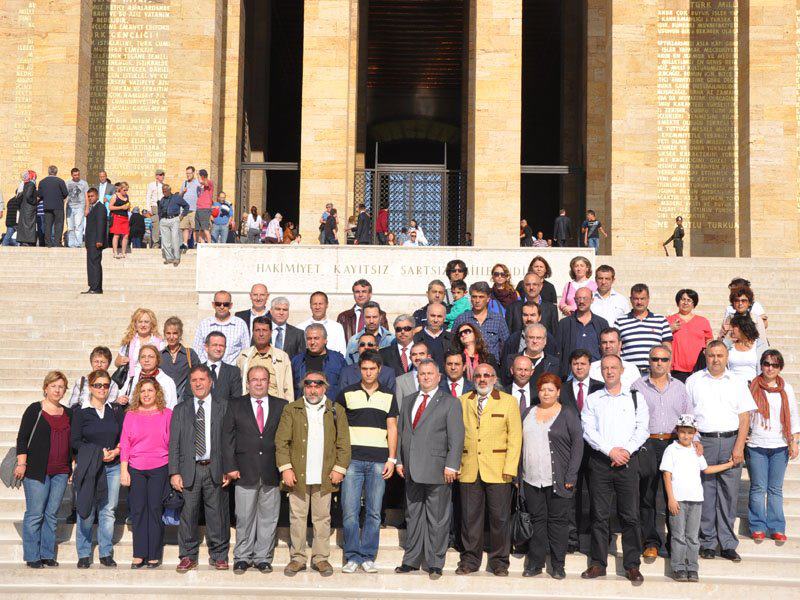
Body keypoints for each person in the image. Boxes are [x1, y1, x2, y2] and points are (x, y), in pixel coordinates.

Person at [581, 355, 649, 583]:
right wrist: (610, 451)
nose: (609, 372)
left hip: (628, 463)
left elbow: (642, 429)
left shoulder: (636, 398)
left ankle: (632, 565)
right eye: (605, 368)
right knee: (599, 515)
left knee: (630, 516)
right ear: (601, 372)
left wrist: (625, 451)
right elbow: (589, 430)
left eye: (614, 368)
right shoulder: (593, 399)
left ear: (621, 370)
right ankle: (598, 563)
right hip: (601, 463)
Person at [686, 341, 757, 561]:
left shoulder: (737, 382)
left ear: (727, 357)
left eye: (720, 355)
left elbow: (745, 416)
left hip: (730, 441)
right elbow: (687, 416)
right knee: (706, 494)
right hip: (703, 442)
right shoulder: (693, 381)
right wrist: (694, 441)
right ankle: (707, 541)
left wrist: (739, 446)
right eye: (711, 355)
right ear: (705, 356)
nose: (715, 359)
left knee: (729, 493)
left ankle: (727, 543)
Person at [394, 359, 465, 580]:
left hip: (438, 469)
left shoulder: (450, 402)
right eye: (422, 374)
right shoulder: (408, 400)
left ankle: (435, 562)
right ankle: (411, 560)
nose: (425, 377)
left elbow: (457, 437)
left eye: (429, 373)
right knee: (413, 516)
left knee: (437, 518)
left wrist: (452, 465)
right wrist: (398, 460)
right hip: (411, 469)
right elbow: (403, 432)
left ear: (438, 376)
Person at [276, 372, 351, 577]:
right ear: (303, 388)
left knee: (322, 518)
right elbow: (282, 442)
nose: (313, 389)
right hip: (298, 474)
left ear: (325, 388)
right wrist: (286, 468)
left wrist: (339, 469)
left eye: (318, 385)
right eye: (308, 385)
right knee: (297, 516)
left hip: (325, 474)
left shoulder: (336, 410)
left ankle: (320, 558)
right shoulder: (292, 409)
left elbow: (343, 443)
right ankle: (298, 558)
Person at [456, 364, 521, 577]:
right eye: (478, 375)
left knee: (499, 519)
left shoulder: (509, 401)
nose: (482, 379)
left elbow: (515, 438)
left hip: (499, 469)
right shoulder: (463, 401)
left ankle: (500, 562)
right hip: (469, 467)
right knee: (469, 518)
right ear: (472, 378)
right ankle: (470, 560)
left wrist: (511, 468)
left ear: (495, 378)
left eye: (487, 375)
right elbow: (456, 435)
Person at [337, 351, 398, 573]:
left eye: (372, 369)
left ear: (379, 370)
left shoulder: (389, 395)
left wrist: (392, 458)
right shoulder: (346, 394)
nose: (369, 372)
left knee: (373, 511)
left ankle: (368, 555)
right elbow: (339, 428)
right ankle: (352, 555)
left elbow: (392, 428)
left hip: (379, 461)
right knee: (350, 510)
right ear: (359, 369)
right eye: (364, 369)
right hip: (352, 460)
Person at [223, 365, 288, 574]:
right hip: (244, 471)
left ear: (269, 382)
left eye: (262, 379)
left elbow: (287, 439)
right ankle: (242, 556)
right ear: (248, 382)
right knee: (244, 517)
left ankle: (262, 557)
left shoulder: (281, 405)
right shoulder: (235, 405)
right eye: (254, 379)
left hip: (271, 470)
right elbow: (227, 439)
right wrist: (230, 467)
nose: (258, 383)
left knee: (269, 518)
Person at [631, 345, 694, 560]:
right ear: (649, 361)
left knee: (672, 494)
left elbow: (688, 415)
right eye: (655, 359)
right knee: (647, 494)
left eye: (664, 359)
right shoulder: (637, 386)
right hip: (646, 443)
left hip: (673, 443)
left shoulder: (679, 387)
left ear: (670, 362)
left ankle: (674, 541)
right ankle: (650, 542)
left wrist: (697, 441)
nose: (659, 363)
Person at [169, 365, 232, 572]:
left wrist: (229, 468)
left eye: (202, 379)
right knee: (188, 514)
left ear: (210, 381)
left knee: (218, 515)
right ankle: (188, 555)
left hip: (216, 468)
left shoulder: (224, 406)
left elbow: (229, 441)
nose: (198, 383)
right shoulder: (181, 409)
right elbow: (174, 443)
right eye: (194, 380)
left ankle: (219, 555)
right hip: (189, 470)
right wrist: (174, 472)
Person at [520, 373, 583, 578]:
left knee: (557, 523)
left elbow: (577, 446)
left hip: (559, 479)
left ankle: (558, 565)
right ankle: (535, 563)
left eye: (550, 389)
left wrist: (571, 476)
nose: (546, 393)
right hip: (531, 478)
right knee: (537, 521)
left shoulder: (567, 413)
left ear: (558, 392)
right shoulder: (528, 412)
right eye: (542, 389)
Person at [661, 414, 735, 582]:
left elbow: (707, 469)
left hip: (696, 500)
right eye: (682, 432)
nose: (686, 436)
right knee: (678, 535)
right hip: (678, 500)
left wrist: (729, 464)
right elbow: (667, 475)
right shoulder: (671, 450)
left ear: (695, 433)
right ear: (677, 432)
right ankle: (679, 567)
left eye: (689, 432)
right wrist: (671, 499)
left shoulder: (696, 451)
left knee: (693, 537)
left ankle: (692, 567)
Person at [15, 371, 72, 569]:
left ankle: (47, 554)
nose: (57, 390)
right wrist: (21, 463)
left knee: (51, 514)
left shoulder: (68, 413)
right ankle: (32, 555)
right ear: (46, 387)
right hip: (36, 471)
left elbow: (71, 443)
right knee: (35, 513)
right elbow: (22, 438)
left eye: (61, 387)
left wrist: (72, 465)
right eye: (54, 386)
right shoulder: (35, 409)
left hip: (61, 472)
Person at [71, 369, 124, 568]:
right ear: (90, 387)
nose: (102, 389)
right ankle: (84, 553)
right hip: (89, 467)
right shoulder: (81, 413)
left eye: (105, 385)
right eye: (98, 385)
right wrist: (97, 452)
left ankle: (105, 552)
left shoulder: (116, 411)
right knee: (86, 509)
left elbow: (123, 438)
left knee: (108, 510)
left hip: (112, 467)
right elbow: (75, 442)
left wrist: (117, 451)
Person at [746, 349, 800, 541]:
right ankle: (757, 525)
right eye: (767, 364)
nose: (770, 368)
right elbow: (744, 414)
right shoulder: (751, 386)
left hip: (780, 444)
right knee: (759, 487)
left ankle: (777, 527)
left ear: (780, 368)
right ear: (761, 365)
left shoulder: (786, 389)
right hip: (756, 443)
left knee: (775, 489)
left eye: (775, 365)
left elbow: (793, 415)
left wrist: (795, 441)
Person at [119, 378, 173, 568]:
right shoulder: (131, 415)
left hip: (160, 467)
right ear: (138, 394)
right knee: (138, 510)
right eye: (143, 391)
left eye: (150, 390)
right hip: (136, 468)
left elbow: (174, 444)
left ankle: (154, 554)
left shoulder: (167, 414)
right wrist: (124, 470)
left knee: (155, 510)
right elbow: (125, 443)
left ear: (157, 392)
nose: (147, 394)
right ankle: (139, 553)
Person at [560, 350, 603, 551]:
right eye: (575, 363)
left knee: (597, 495)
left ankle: (597, 539)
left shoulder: (601, 389)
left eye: (583, 364)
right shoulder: (562, 389)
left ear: (589, 366)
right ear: (571, 365)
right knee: (570, 496)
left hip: (596, 450)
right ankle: (571, 539)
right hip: (569, 450)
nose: (579, 367)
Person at [614, 283, 673, 374]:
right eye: (636, 299)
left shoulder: (661, 320)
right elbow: (616, 349)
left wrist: (667, 371)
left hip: (654, 372)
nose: (639, 302)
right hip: (629, 373)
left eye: (642, 299)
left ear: (648, 299)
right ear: (631, 300)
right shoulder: (620, 321)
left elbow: (667, 348)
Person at [554, 287, 609, 377]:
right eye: (578, 298)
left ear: (592, 300)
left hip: (596, 373)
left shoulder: (602, 323)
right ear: (575, 300)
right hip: (571, 374)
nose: (581, 301)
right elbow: (558, 351)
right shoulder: (565, 324)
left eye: (585, 298)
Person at [236, 316, 293, 400]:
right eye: (257, 330)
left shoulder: (282, 357)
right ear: (253, 332)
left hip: (275, 407)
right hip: (248, 406)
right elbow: (238, 386)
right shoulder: (243, 356)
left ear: (271, 333)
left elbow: (288, 389)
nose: (261, 334)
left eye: (265, 330)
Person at [452, 281, 510, 363]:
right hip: (467, 365)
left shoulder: (498, 320)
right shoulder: (461, 319)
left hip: (491, 366)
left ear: (488, 299)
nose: (477, 300)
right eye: (474, 297)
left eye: (481, 297)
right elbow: (454, 344)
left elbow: (506, 346)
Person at [290, 324, 347, 399]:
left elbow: (345, 386)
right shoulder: (297, 361)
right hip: (303, 408)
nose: (312, 342)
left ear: (325, 340)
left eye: (316, 338)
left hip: (330, 407)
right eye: (309, 338)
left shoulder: (338, 360)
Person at [667, 289, 713, 382]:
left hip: (699, 369)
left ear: (694, 304)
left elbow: (709, 340)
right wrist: (670, 329)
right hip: (676, 370)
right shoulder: (669, 320)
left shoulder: (703, 321)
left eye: (689, 300)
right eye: (683, 299)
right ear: (678, 302)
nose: (685, 302)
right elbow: (660, 340)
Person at [193, 290, 251, 364]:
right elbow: (197, 350)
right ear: (213, 305)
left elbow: (246, 353)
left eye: (226, 304)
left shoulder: (240, 324)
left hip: (231, 372)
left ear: (231, 305)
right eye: (218, 304)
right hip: (207, 371)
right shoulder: (204, 324)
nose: (222, 307)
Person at [117, 345, 179, 410]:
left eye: (151, 357)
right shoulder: (133, 376)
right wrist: (121, 399)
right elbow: (122, 394)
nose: (146, 360)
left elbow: (171, 407)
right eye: (143, 357)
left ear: (157, 360)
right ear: (139, 360)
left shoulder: (167, 381)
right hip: (134, 416)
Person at [501, 323, 560, 388]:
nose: (534, 341)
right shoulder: (512, 360)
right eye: (531, 337)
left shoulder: (554, 363)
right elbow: (505, 384)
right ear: (525, 339)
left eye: (539, 338)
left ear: (545, 340)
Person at [193, 332, 242, 403]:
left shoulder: (234, 372)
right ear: (206, 347)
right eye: (215, 345)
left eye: (221, 345)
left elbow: (236, 399)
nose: (218, 349)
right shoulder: (195, 371)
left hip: (226, 413)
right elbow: (189, 397)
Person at [589, 327, 641, 392]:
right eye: (604, 342)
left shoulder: (632, 369)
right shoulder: (591, 369)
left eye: (612, 342)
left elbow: (638, 393)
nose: (608, 346)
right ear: (600, 345)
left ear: (620, 344)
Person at [160, 317, 199, 401]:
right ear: (164, 334)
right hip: (164, 401)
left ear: (180, 334)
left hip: (184, 402)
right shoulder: (160, 355)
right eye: (168, 333)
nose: (171, 337)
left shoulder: (190, 354)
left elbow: (199, 375)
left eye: (175, 333)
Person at [115, 308, 164, 375]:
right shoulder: (128, 341)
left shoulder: (159, 343)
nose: (143, 325)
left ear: (152, 324)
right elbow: (117, 362)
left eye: (146, 322)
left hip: (152, 380)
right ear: (135, 324)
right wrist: (121, 361)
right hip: (132, 380)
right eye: (140, 322)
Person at [298, 291, 348, 356]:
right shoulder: (300, 327)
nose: (317, 307)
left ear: (327, 305)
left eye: (320, 304)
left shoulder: (337, 327)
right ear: (310, 305)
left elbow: (342, 352)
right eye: (314, 304)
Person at [723, 314, 768, 381]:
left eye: (734, 327)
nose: (731, 330)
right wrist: (727, 341)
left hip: (753, 386)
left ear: (742, 328)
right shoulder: (729, 345)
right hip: (732, 385)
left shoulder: (759, 345)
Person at [413, 302, 453, 370]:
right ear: (427, 315)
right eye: (433, 316)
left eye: (439, 316)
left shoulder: (452, 339)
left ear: (444, 318)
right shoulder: (415, 339)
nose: (436, 320)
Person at [157, 183, 190, 266]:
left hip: (174, 219)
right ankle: (169, 258)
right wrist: (161, 219)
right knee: (165, 240)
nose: (164, 192)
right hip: (164, 220)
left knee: (175, 239)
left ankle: (177, 258)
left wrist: (182, 215)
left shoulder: (176, 197)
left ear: (169, 190)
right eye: (163, 191)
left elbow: (186, 206)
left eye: (165, 191)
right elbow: (160, 210)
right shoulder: (162, 199)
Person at [82, 188, 107, 294]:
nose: (90, 198)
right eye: (88, 196)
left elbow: (101, 224)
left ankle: (96, 287)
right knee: (91, 264)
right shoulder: (93, 207)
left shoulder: (100, 207)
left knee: (95, 264)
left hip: (96, 241)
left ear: (97, 196)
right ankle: (93, 286)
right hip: (90, 241)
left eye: (92, 196)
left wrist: (99, 240)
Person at [37, 165, 68, 248]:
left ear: (48, 171)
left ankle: (48, 243)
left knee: (47, 224)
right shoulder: (60, 181)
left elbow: (39, 194)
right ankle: (57, 243)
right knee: (59, 224)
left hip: (47, 206)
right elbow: (65, 193)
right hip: (58, 206)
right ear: (56, 172)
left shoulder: (42, 182)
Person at [179, 166, 203, 250]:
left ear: (193, 173)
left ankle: (196, 243)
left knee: (195, 227)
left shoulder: (197, 183)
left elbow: (202, 193)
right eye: (187, 173)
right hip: (185, 210)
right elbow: (179, 196)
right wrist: (183, 192)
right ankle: (185, 243)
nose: (188, 175)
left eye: (189, 173)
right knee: (185, 227)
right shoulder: (184, 183)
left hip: (194, 209)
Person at [65, 167, 88, 248]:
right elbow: (65, 196)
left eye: (78, 175)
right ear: (72, 175)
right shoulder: (67, 183)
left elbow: (86, 196)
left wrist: (87, 208)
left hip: (80, 206)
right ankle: (71, 244)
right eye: (75, 175)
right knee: (70, 226)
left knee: (78, 225)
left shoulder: (84, 183)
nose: (77, 176)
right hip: (70, 207)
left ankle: (78, 243)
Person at [15, 170, 39, 246]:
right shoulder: (31, 184)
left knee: (23, 225)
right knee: (29, 225)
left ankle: (23, 241)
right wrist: (35, 202)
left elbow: (19, 197)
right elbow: (28, 196)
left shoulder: (24, 184)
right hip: (29, 208)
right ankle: (28, 241)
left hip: (24, 207)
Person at [108, 182, 131, 259]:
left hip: (125, 217)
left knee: (126, 235)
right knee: (116, 235)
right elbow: (110, 207)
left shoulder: (127, 196)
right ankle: (115, 252)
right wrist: (121, 207)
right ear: (120, 189)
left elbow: (127, 207)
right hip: (117, 217)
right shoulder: (115, 196)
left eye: (127, 190)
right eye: (124, 190)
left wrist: (128, 207)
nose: (126, 192)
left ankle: (123, 252)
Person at [145, 169, 165, 248]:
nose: (162, 176)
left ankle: (164, 242)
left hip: (163, 207)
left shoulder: (164, 185)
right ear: (156, 176)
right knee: (155, 225)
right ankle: (156, 243)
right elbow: (148, 196)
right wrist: (148, 208)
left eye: (163, 174)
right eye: (160, 175)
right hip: (154, 206)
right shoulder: (152, 185)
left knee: (164, 224)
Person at [193, 169, 214, 244]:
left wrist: (197, 174)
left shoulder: (209, 182)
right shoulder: (201, 185)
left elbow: (203, 182)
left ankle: (209, 244)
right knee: (200, 229)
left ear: (202, 176)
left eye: (200, 175)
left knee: (205, 228)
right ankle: (202, 244)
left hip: (205, 208)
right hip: (199, 208)